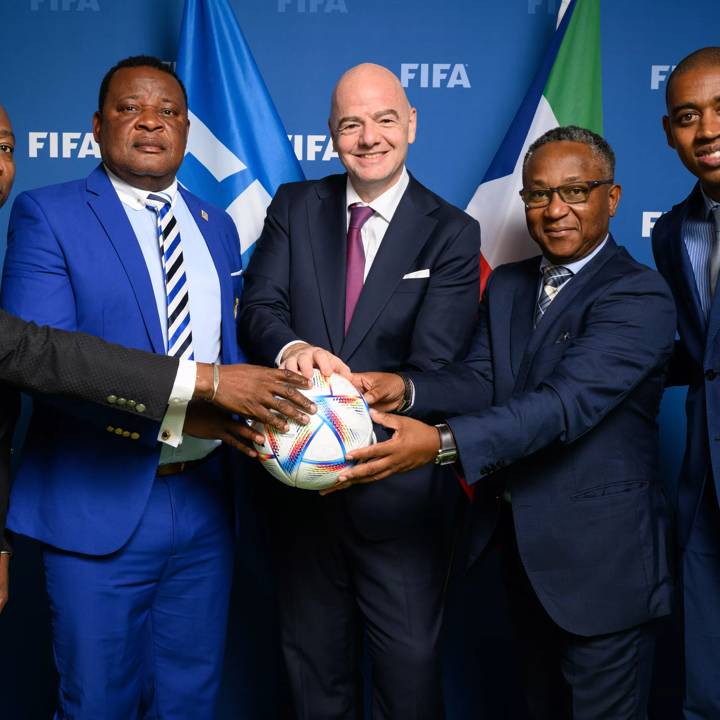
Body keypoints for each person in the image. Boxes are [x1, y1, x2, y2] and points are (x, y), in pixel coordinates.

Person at [0, 56, 312, 719]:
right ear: (96, 126)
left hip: (204, 509)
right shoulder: (46, 215)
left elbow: (233, 353)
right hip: (97, 507)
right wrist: (181, 419)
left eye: (168, 111)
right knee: (98, 705)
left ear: (187, 129)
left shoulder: (215, 224)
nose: (150, 122)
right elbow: (40, 364)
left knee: (189, 703)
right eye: (130, 108)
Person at [338, 126, 676, 720]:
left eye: (575, 191)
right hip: (519, 558)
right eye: (538, 194)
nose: (555, 210)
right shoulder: (513, 285)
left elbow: (562, 404)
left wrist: (439, 444)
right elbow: (478, 379)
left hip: (602, 570)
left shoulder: (639, 295)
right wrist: (404, 388)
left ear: (613, 198)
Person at [238, 63, 480, 718]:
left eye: (383, 119)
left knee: (409, 687)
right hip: (298, 495)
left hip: (398, 503)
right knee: (314, 685)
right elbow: (259, 306)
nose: (368, 137)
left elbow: (443, 367)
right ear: (331, 135)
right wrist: (293, 350)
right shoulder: (294, 205)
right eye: (350, 123)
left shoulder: (451, 230)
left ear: (411, 124)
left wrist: (393, 388)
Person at [652, 46, 720, 719]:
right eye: (688, 116)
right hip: (703, 482)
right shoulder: (671, 233)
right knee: (704, 679)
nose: (708, 131)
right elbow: (698, 353)